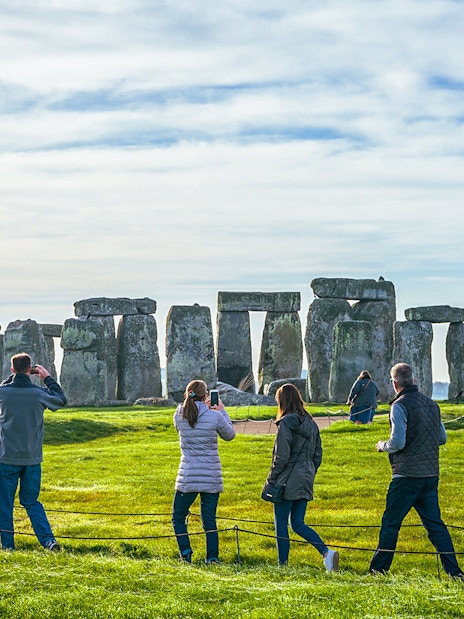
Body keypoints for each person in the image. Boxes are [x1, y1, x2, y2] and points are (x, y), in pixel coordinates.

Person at [369, 362, 464, 579]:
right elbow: (442, 438)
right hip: (430, 475)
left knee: (391, 524)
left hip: (406, 476)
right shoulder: (432, 405)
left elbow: (398, 442)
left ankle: (378, 570)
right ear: (413, 379)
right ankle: (454, 571)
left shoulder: (399, 406)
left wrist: (382, 445)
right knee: (436, 526)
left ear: (394, 384)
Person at [264, 383, 339, 571]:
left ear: (282, 401)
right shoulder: (312, 423)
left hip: (287, 478)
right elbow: (318, 454)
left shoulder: (285, 423)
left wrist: (271, 479)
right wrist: (310, 471)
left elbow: (281, 456)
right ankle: (326, 553)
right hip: (306, 476)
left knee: (281, 524)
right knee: (297, 523)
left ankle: (283, 565)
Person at [0, 352, 67, 551]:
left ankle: (8, 545)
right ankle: (48, 541)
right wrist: (46, 376)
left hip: (6, 458)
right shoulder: (38, 393)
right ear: (30, 370)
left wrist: (12, 377)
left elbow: (4, 386)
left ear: (12, 370)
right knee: (31, 501)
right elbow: (60, 399)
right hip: (32, 458)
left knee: (4, 504)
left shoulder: (3, 393)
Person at [172, 379, 235, 564]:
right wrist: (220, 410)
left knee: (178, 516)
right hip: (211, 476)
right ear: (206, 395)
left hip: (188, 475)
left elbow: (181, 424)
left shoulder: (179, 413)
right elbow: (230, 434)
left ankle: (185, 552)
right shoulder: (214, 416)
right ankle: (212, 557)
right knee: (209, 520)